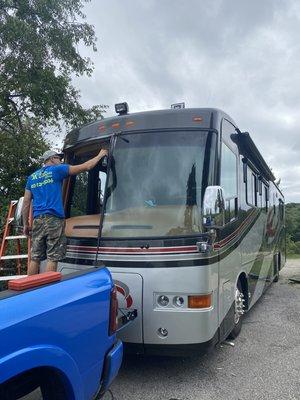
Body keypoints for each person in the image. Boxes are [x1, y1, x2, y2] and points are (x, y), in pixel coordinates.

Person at [22, 148, 108, 275]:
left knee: (35, 258)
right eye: (58, 158)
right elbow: (86, 166)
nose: (60, 160)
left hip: (37, 220)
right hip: (54, 219)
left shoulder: (32, 178)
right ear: (51, 159)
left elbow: (26, 203)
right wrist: (100, 155)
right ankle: (48, 289)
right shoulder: (58, 170)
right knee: (53, 257)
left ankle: (29, 291)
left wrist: (25, 225)